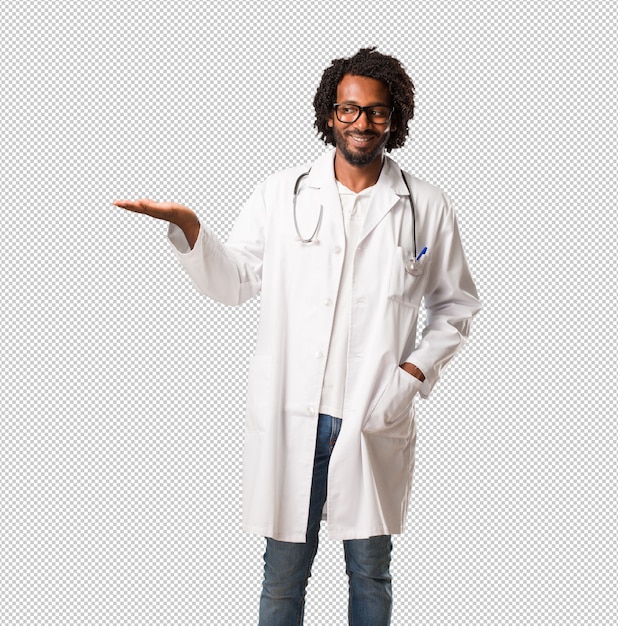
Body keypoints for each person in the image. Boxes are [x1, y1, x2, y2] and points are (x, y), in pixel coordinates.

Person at [114, 47, 480, 626]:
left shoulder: (425, 206)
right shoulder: (282, 194)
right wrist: (189, 228)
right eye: (351, 110)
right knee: (283, 575)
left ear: (395, 118)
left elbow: (455, 305)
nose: (363, 123)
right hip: (295, 419)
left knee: (371, 573)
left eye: (378, 112)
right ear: (331, 114)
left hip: (372, 417)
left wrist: (411, 376)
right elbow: (234, 281)